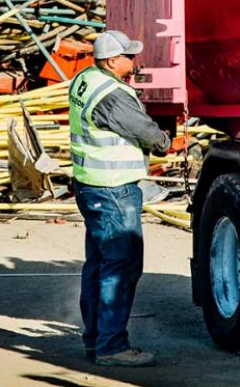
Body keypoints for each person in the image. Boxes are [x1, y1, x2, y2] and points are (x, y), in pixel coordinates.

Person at [69, 29, 173, 367]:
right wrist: (165, 142)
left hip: (91, 186)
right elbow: (145, 132)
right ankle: (112, 346)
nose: (133, 60)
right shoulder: (111, 95)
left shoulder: (85, 79)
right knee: (120, 267)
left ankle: (96, 339)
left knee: (99, 265)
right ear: (112, 61)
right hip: (113, 190)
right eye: (128, 56)